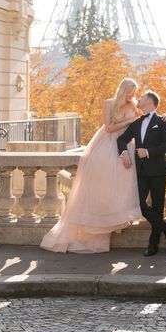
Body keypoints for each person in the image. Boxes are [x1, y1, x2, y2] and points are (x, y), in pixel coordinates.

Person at [40, 78, 143, 253]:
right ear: (123, 89)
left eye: (134, 92)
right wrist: (129, 123)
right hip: (107, 143)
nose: (132, 95)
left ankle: (116, 218)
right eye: (129, 91)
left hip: (126, 145)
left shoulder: (134, 105)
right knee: (103, 182)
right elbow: (109, 128)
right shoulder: (109, 103)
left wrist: (163, 117)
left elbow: (148, 114)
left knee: (125, 182)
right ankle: (99, 222)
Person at [117, 90, 166, 256]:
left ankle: (153, 245)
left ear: (149, 101)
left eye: (142, 97)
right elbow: (121, 139)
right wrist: (124, 153)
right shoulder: (137, 123)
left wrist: (148, 152)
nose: (139, 98)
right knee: (139, 205)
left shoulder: (162, 121)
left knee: (157, 208)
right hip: (141, 171)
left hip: (158, 170)